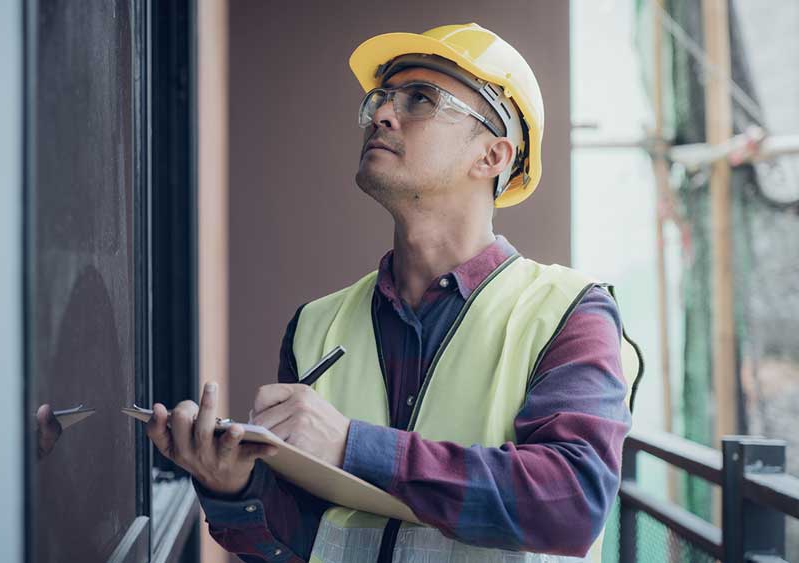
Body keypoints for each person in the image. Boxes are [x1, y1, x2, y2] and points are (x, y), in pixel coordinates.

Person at [146, 23, 643, 563]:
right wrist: (234, 489)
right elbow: (297, 543)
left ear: (492, 157)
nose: (381, 114)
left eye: (421, 100)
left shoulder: (570, 313)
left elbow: (572, 501)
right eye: (381, 99)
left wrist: (351, 446)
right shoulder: (316, 326)